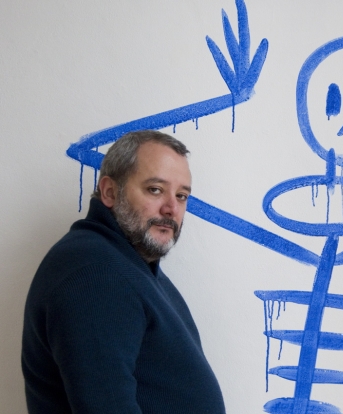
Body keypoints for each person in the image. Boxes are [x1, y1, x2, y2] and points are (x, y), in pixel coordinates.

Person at [21, 130, 225, 413]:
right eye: (155, 189)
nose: (171, 208)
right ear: (109, 191)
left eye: (181, 196)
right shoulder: (96, 272)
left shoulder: (130, 264)